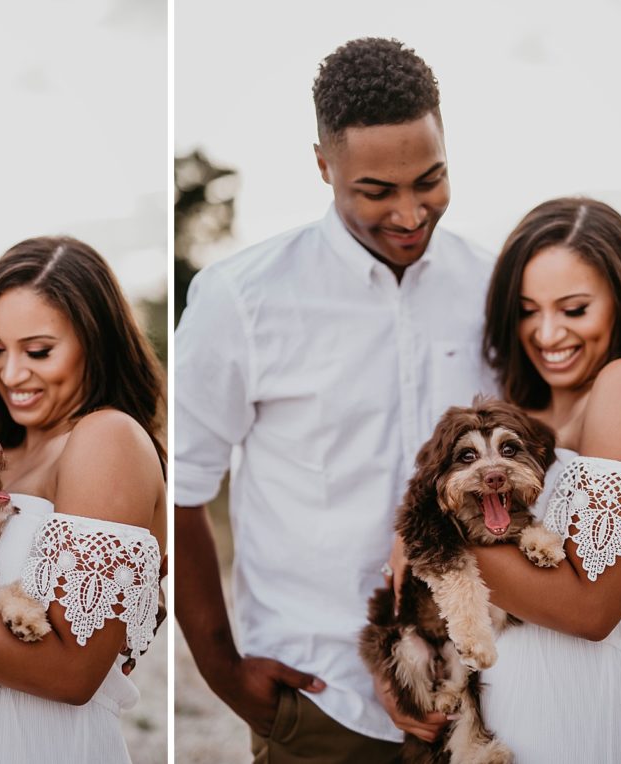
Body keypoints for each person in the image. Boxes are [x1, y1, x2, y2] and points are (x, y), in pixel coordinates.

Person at [174, 37, 497, 761]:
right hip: (323, 705)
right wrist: (222, 670)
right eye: (377, 191)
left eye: (431, 180)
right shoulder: (241, 300)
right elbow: (182, 491)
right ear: (323, 165)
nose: (412, 213)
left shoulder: (496, 284)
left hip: (488, 696)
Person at [471, 197, 621, 763]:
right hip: (496, 717)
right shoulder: (520, 412)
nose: (546, 333)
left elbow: (589, 610)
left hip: (578, 721)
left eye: (573, 308)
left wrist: (433, 533)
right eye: (526, 309)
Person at [0, 236, 166, 763]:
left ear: (96, 341)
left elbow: (71, 672)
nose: (11, 373)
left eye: (38, 351)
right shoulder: (4, 454)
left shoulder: (105, 439)